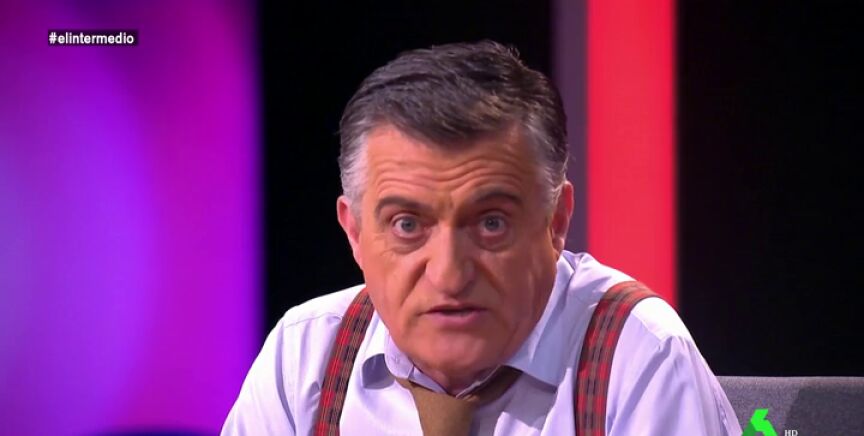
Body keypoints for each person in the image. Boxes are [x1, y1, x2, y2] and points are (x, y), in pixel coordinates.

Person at [222, 40, 740, 435]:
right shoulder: (305, 356)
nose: (449, 275)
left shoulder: (638, 355)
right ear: (354, 232)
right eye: (408, 225)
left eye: (491, 223)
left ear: (556, 222)